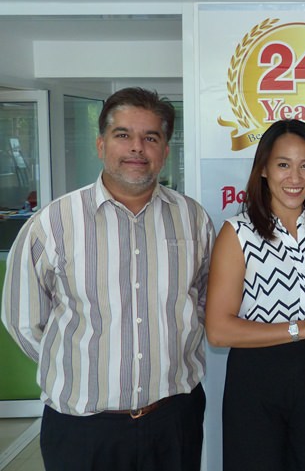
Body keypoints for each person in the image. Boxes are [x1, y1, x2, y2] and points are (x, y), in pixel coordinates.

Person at [1, 87, 215, 471]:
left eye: (151, 137)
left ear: (165, 151)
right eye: (123, 135)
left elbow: (204, 299)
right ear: (101, 145)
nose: (137, 148)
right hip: (82, 426)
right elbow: (23, 321)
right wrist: (79, 365)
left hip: (173, 419)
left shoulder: (192, 218)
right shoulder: (54, 223)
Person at [205, 119, 305, 471]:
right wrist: (301, 328)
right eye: (283, 165)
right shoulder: (238, 232)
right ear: (263, 169)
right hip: (255, 379)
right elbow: (218, 330)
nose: (295, 178)